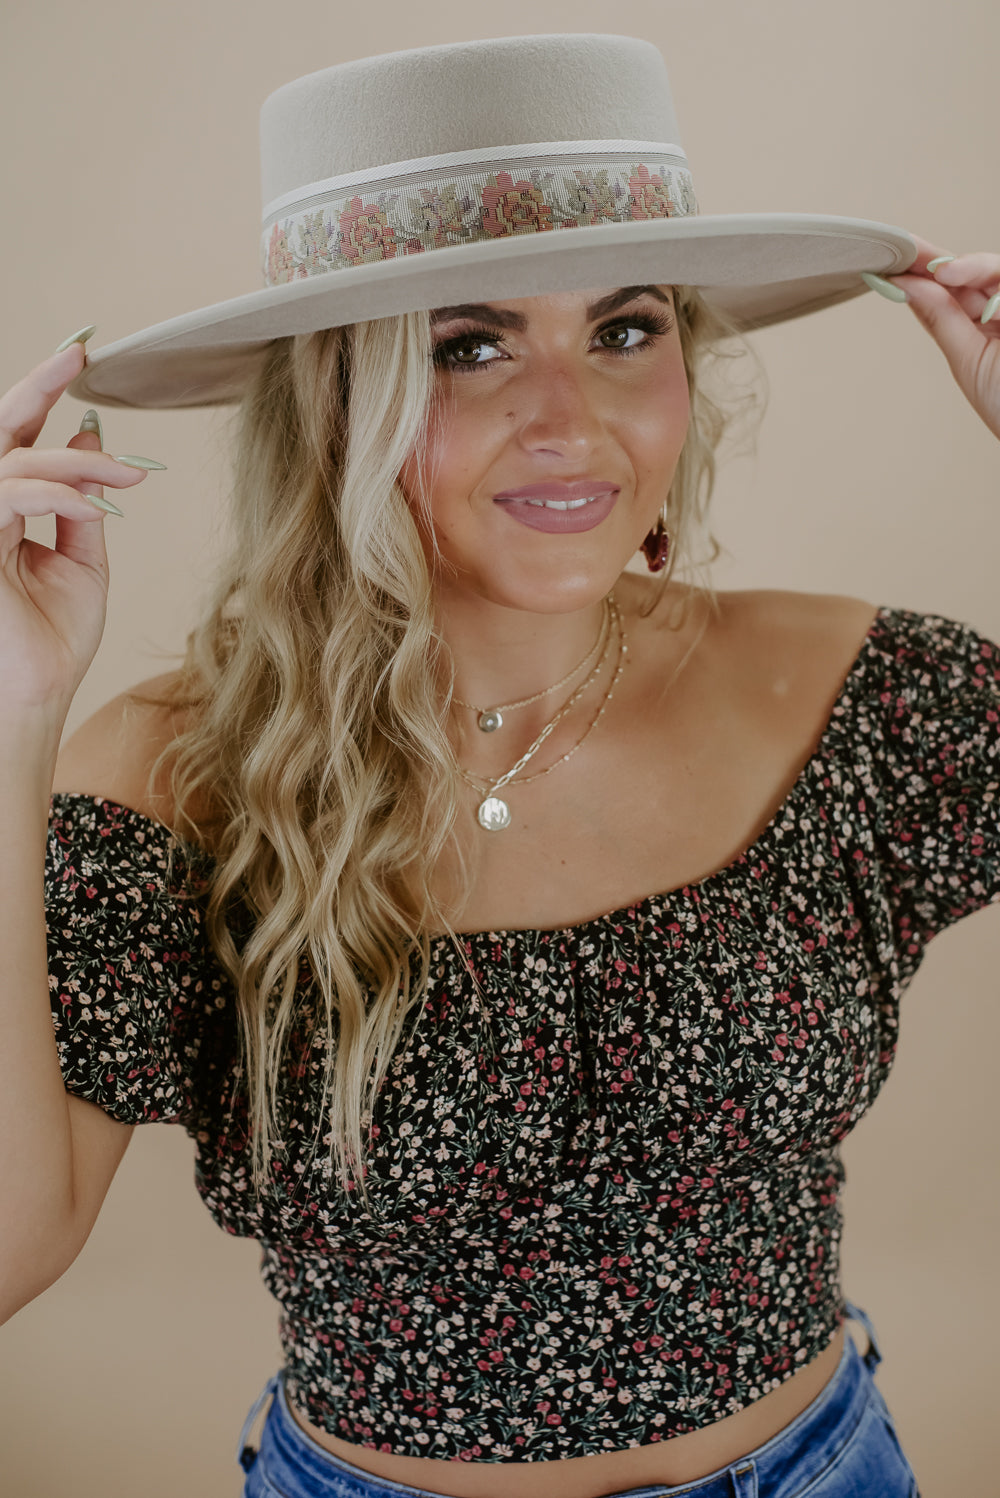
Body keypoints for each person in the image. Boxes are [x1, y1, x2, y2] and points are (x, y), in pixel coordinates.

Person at [2, 31, 997, 1498]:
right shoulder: (182, 779)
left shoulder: (848, 697)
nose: (571, 421)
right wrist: (13, 718)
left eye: (625, 330)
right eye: (468, 345)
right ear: (335, 401)